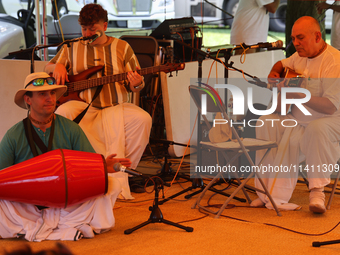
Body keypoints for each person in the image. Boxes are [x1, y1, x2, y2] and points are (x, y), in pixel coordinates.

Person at [0, 72, 131, 241]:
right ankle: (64, 229)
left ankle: (36, 229)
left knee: (111, 184)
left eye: (52, 93)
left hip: (67, 201)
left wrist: (104, 166)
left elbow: (89, 167)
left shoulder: (70, 128)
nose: (50, 98)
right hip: (29, 204)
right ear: (28, 100)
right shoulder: (14, 134)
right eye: (42, 94)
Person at [44, 4, 152, 196]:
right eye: (84, 28)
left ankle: (127, 173)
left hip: (115, 105)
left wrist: (136, 83)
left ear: (105, 25)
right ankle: (73, 174)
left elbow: (136, 85)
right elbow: (49, 68)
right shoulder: (72, 46)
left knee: (143, 120)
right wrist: (57, 67)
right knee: (61, 114)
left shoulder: (122, 47)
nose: (87, 33)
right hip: (82, 105)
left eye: (92, 29)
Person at [251, 16, 340, 214]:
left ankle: (317, 191)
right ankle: (266, 191)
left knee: (317, 128)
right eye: (293, 38)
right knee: (265, 121)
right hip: (296, 120)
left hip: (330, 121)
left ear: (317, 36)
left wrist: (301, 96)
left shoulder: (334, 62)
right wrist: (274, 73)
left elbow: (330, 107)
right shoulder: (298, 56)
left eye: (300, 38)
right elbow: (281, 65)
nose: (295, 43)